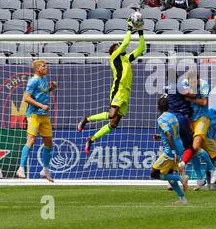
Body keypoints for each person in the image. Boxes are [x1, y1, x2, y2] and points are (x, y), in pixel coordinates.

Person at [77, 15, 146, 154]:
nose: (120, 46)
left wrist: (141, 31)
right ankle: (87, 119)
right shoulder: (114, 57)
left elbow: (141, 48)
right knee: (111, 114)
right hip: (118, 88)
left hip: (126, 91)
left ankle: (91, 139)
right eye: (117, 46)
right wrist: (129, 27)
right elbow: (126, 43)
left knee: (114, 123)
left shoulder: (126, 58)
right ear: (114, 50)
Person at [16, 60, 58, 182]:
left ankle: (45, 169)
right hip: (33, 114)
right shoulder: (33, 81)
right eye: (44, 66)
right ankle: (21, 168)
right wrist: (41, 106)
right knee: (31, 139)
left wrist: (51, 88)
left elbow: (41, 93)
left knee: (48, 141)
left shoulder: (44, 79)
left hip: (44, 114)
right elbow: (26, 98)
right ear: (38, 69)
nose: (46, 67)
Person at [177, 69, 216, 187]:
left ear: (198, 78)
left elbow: (204, 102)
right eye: (191, 82)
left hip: (202, 117)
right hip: (189, 118)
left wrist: (190, 98)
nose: (193, 84)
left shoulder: (204, 84)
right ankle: (200, 178)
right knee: (192, 149)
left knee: (195, 146)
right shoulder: (184, 83)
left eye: (195, 82)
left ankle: (212, 168)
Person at [151, 96, 189, 205]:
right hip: (180, 147)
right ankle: (182, 199)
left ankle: (181, 178)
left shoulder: (161, 119)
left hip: (171, 151)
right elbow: (172, 133)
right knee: (168, 174)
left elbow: (168, 134)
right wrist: (160, 136)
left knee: (154, 173)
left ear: (158, 107)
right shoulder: (173, 116)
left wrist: (172, 151)